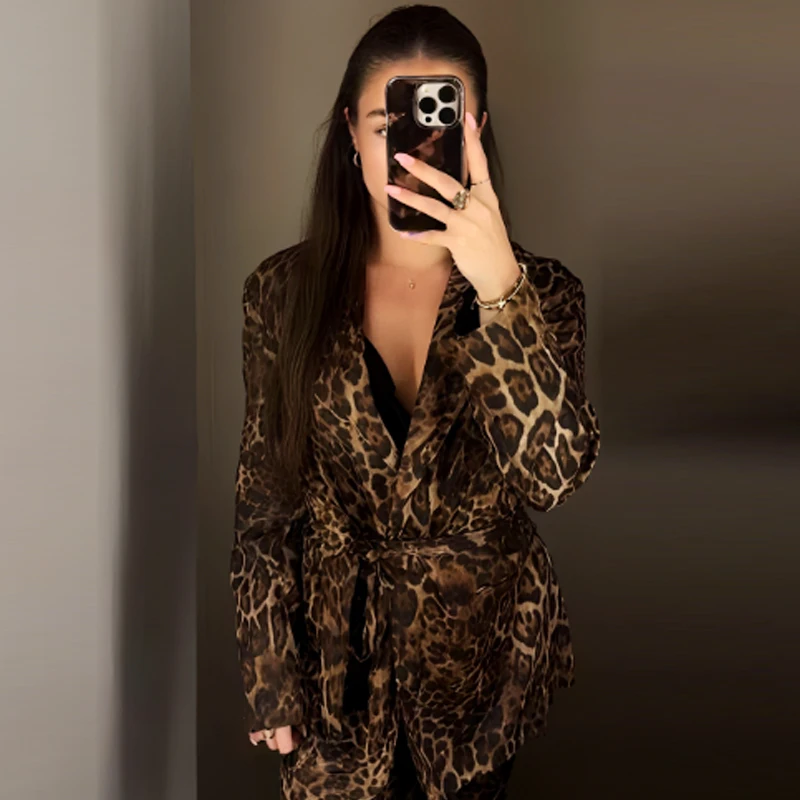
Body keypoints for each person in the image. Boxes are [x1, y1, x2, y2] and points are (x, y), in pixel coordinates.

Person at [229, 5, 601, 799]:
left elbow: (553, 477)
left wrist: (500, 291)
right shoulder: (281, 293)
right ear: (350, 133)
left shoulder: (544, 294)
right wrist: (269, 672)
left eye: (440, 123)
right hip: (334, 667)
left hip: (476, 675)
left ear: (476, 131)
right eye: (385, 126)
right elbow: (264, 501)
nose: (412, 152)